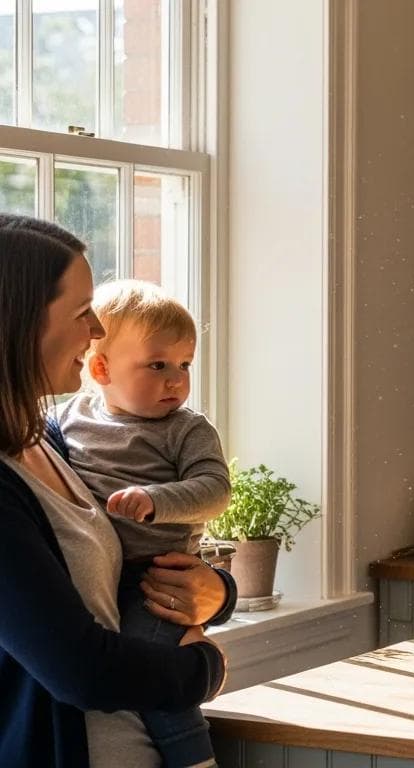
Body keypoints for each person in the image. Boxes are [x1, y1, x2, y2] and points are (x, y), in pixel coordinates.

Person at [0, 214, 236, 768]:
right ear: (19, 323)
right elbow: (83, 670)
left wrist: (215, 592)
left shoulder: (50, 440)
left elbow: (109, 584)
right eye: (84, 314)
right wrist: (207, 669)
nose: (97, 333)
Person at [53, 280, 231, 767]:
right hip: (103, 580)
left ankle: (195, 759)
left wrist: (157, 500)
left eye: (184, 366)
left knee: (158, 674)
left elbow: (216, 489)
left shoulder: (186, 429)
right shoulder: (65, 421)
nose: (176, 380)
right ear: (100, 367)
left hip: (158, 575)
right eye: (158, 365)